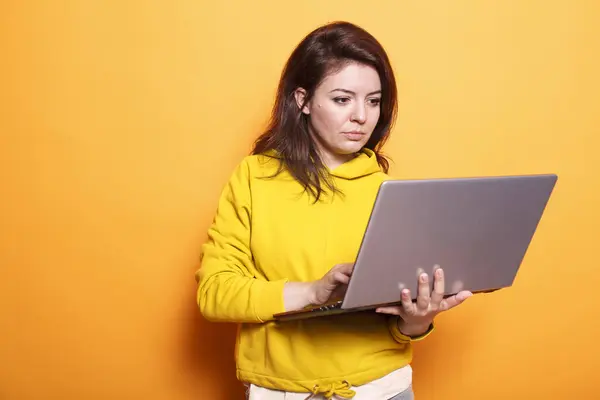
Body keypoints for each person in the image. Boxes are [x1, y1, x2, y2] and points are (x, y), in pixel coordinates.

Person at [195, 21, 472, 400]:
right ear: (303, 100)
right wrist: (311, 292)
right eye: (343, 99)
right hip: (279, 391)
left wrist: (418, 319)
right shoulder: (254, 177)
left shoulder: (389, 193)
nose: (362, 116)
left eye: (373, 101)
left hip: (383, 389)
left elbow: (398, 324)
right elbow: (214, 292)